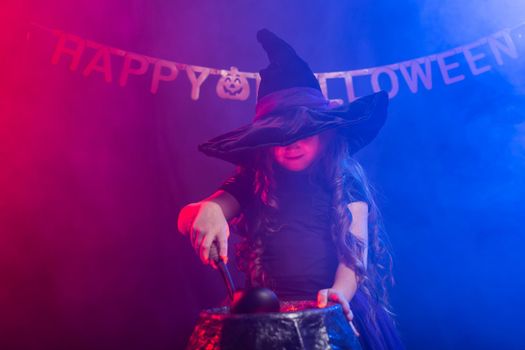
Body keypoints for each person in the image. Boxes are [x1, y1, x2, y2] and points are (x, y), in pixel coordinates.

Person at [177, 29, 405, 350]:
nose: (291, 144)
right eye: (280, 137)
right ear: (264, 143)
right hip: (268, 318)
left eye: (303, 133)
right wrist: (209, 211)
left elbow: (355, 257)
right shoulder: (254, 178)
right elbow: (189, 217)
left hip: (329, 313)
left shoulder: (343, 180)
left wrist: (340, 293)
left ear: (324, 133)